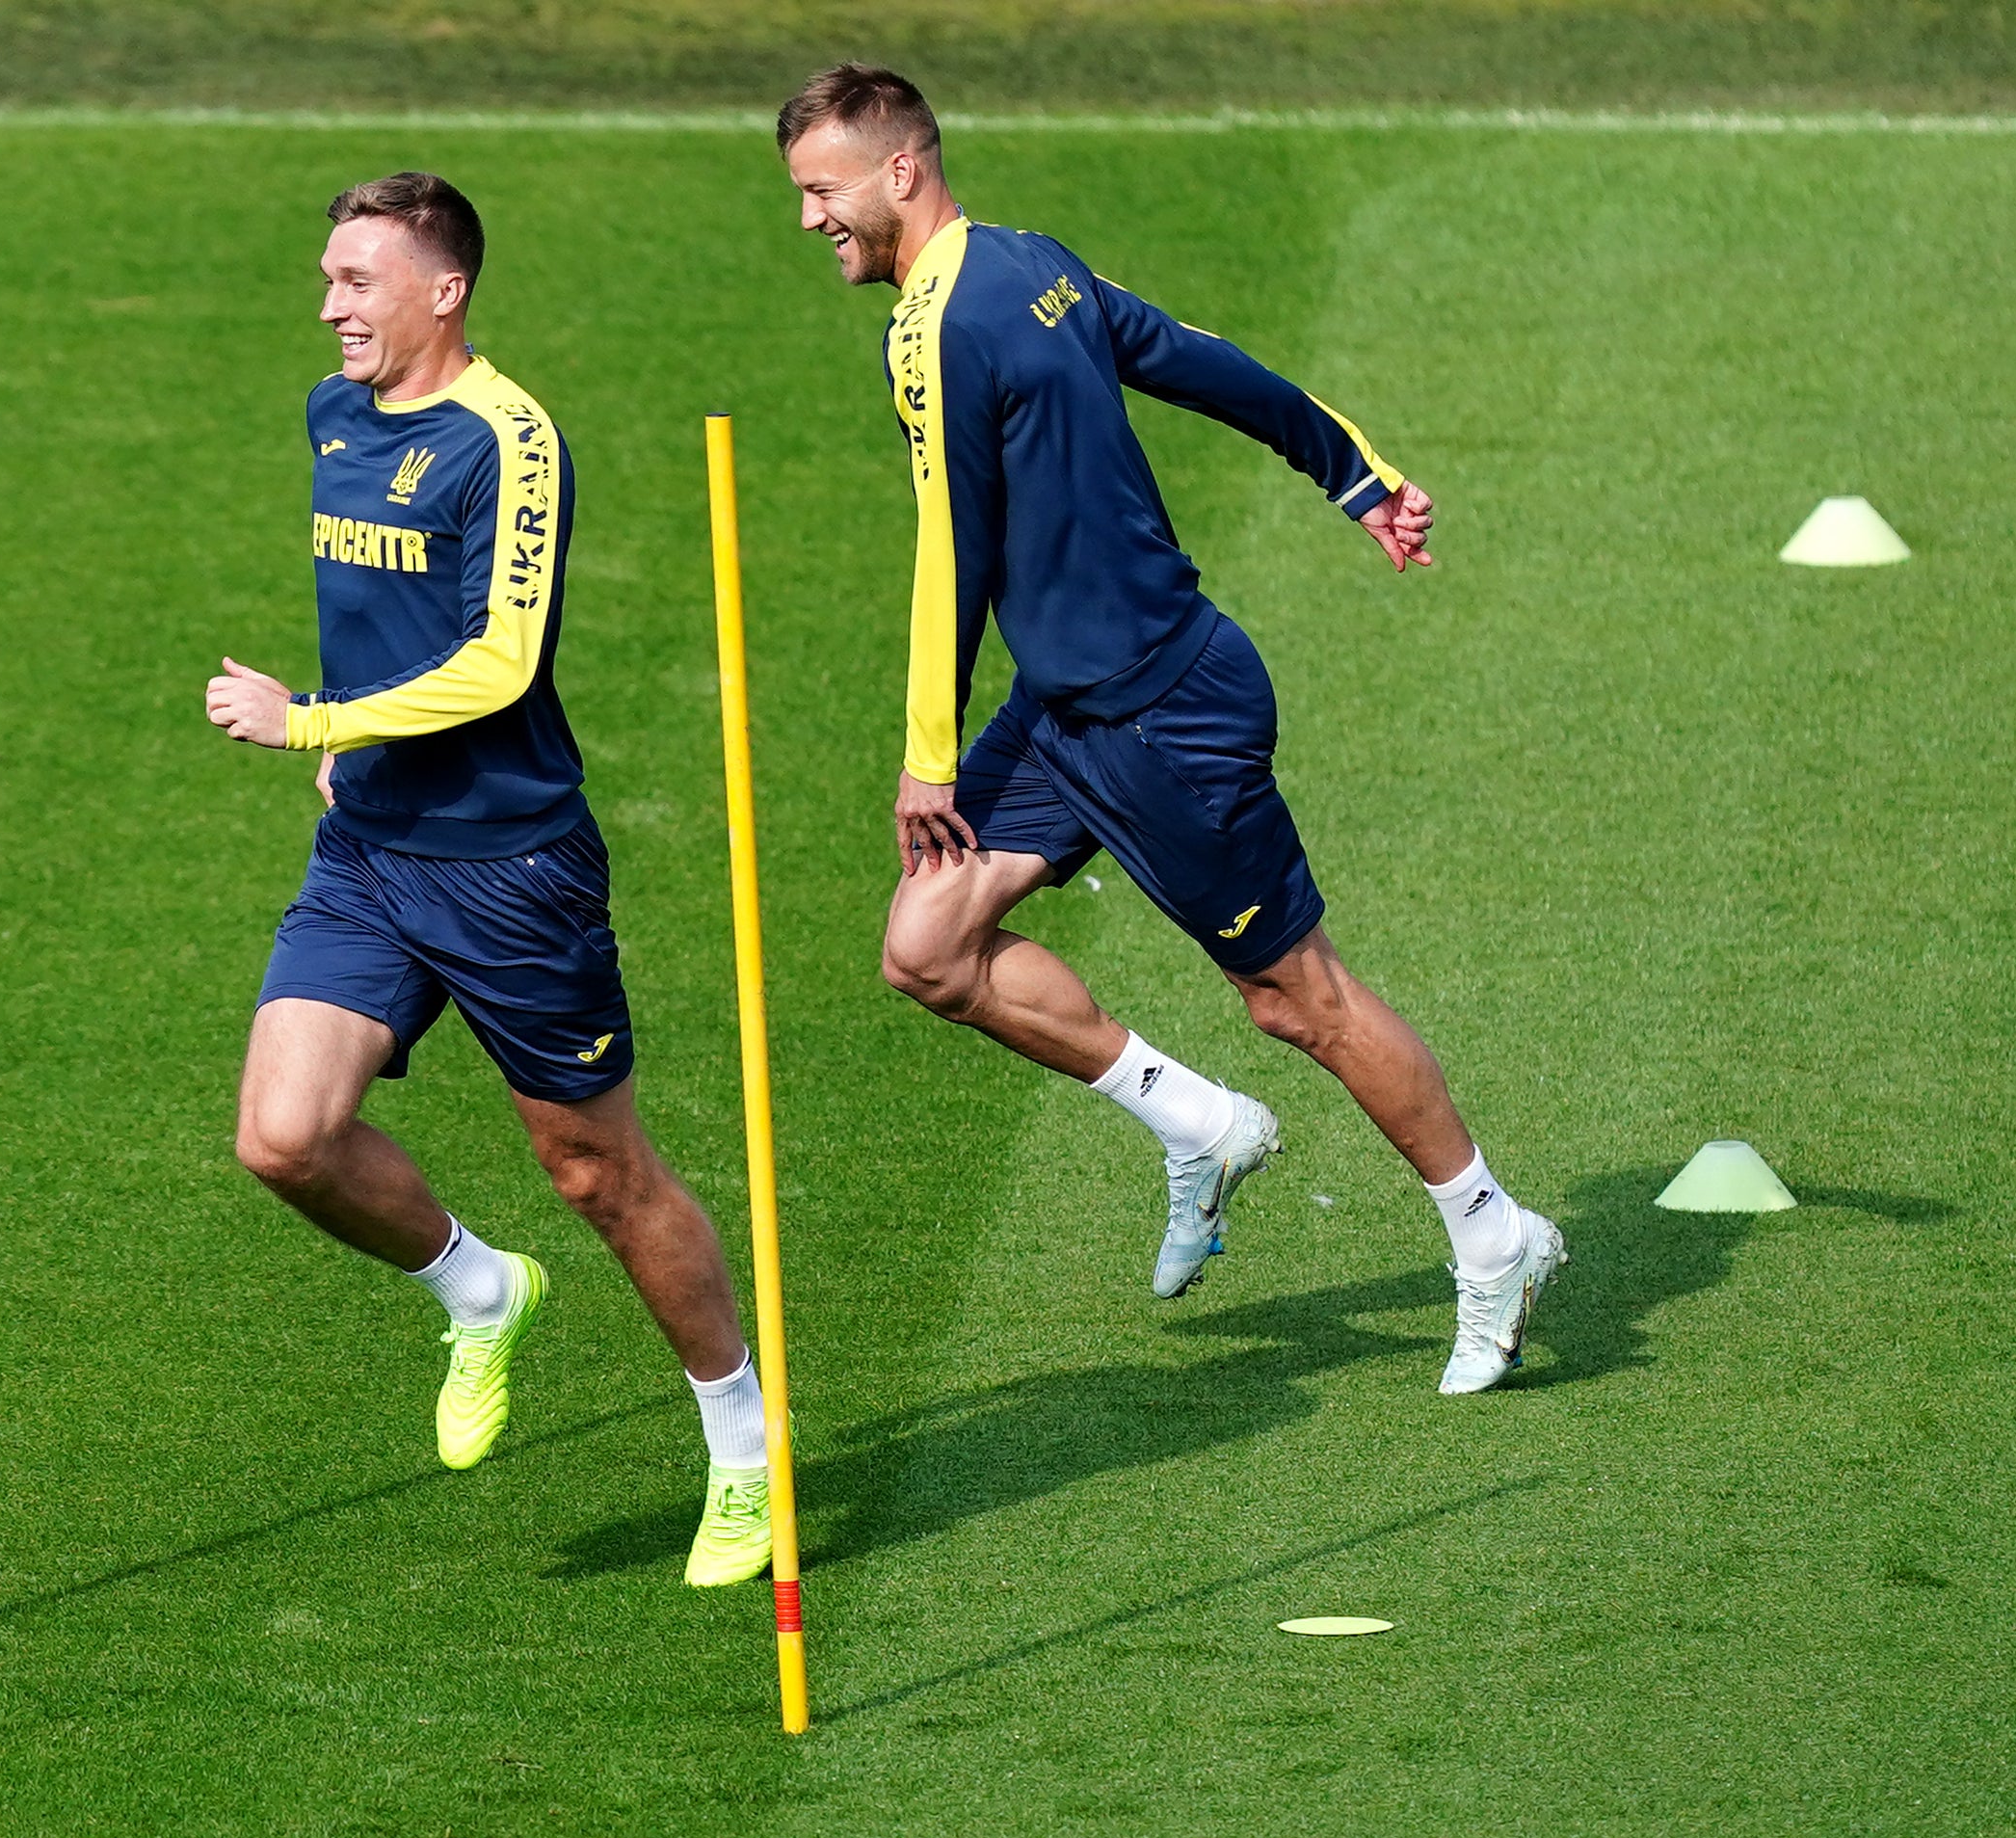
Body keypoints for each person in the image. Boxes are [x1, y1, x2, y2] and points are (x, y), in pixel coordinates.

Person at [774, 67, 1566, 1393]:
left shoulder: (932, 329)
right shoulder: (1032, 265)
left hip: (1163, 715)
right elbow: (1204, 361)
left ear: (900, 170)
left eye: (821, 192)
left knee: (1293, 999)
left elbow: (947, 549)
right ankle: (1195, 1123)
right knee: (926, 945)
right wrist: (1353, 474)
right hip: (1069, 708)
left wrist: (926, 747)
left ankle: (1494, 1238)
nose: (810, 223)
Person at [204, 172, 772, 1577]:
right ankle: (476, 1288)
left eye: (356, 281)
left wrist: (315, 722)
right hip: (370, 851)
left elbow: (500, 659)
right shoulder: (333, 416)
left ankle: (745, 1450)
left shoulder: (506, 440)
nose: (329, 305)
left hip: (510, 869)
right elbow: (383, 612)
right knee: (282, 1139)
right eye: (328, 277)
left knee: (596, 1173)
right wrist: (354, 744)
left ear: (441, 290)